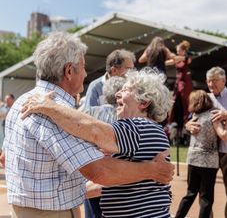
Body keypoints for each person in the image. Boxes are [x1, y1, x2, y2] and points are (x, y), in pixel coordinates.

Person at [3, 32, 174, 218]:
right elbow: (99, 171)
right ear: (69, 71)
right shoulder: (53, 109)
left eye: (125, 90)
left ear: (144, 102)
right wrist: (152, 170)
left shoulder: (25, 101)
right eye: (83, 67)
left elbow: (5, 157)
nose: (86, 73)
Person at [186, 66, 227, 218]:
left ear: (224, 80)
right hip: (209, 153)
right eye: (209, 81)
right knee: (205, 191)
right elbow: (191, 120)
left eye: (215, 81)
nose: (211, 84)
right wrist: (187, 125)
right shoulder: (204, 98)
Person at [84, 49, 135, 218]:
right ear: (114, 70)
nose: (132, 72)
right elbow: (88, 121)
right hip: (98, 155)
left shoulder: (131, 87)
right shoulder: (95, 87)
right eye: (129, 68)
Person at [175, 90, 227, 218]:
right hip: (209, 162)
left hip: (193, 159)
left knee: (190, 193)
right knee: (206, 198)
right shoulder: (213, 115)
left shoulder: (194, 115)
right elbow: (224, 136)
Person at [166, 40, 193, 131]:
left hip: (185, 83)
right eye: (177, 51)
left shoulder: (186, 58)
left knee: (185, 101)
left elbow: (176, 59)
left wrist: (172, 56)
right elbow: (169, 62)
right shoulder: (177, 58)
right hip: (178, 82)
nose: (177, 52)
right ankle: (172, 122)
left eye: (179, 50)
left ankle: (187, 120)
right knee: (174, 101)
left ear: (183, 51)